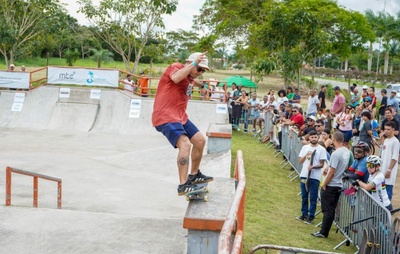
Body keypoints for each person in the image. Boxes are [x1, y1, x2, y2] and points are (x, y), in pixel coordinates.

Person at [151, 52, 214, 196]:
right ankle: (183, 185)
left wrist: (202, 85)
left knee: (199, 141)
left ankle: (194, 174)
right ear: (190, 63)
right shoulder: (176, 67)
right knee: (185, 144)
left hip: (181, 117)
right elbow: (176, 77)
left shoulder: (190, 78)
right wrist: (193, 63)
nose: (200, 73)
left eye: (203, 71)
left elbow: (191, 81)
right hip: (165, 116)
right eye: (199, 69)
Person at [312, 132, 350, 238]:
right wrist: (328, 167)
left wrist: (325, 184)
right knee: (331, 209)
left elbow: (332, 172)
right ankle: (325, 230)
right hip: (338, 184)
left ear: (334, 139)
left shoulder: (336, 153)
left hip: (332, 184)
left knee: (327, 210)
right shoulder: (346, 151)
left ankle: (324, 232)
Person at [297, 130, 327, 224]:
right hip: (304, 175)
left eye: (315, 137)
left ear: (317, 137)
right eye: (312, 137)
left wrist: (313, 167)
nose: (314, 139)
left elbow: (322, 164)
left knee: (313, 197)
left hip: (315, 176)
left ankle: (311, 216)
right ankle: (304, 213)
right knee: (304, 196)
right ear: (309, 138)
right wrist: (306, 155)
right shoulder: (305, 147)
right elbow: (300, 161)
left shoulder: (321, 149)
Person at [379, 121, 400, 201]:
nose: (386, 131)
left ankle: (388, 209)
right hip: (382, 168)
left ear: (393, 129)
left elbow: (395, 157)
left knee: (388, 190)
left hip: (389, 170)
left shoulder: (395, 142)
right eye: (385, 129)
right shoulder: (386, 140)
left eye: (388, 129)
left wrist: (389, 170)